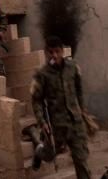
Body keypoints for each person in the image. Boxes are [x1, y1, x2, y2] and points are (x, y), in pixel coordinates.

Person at [24, 36, 91, 179]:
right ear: (47, 53)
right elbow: (36, 100)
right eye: (51, 52)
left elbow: (79, 90)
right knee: (49, 155)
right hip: (57, 126)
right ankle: (39, 150)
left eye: (57, 51)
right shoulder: (42, 74)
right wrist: (42, 122)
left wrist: (83, 110)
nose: (55, 55)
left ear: (62, 51)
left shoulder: (73, 67)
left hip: (75, 123)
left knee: (81, 160)